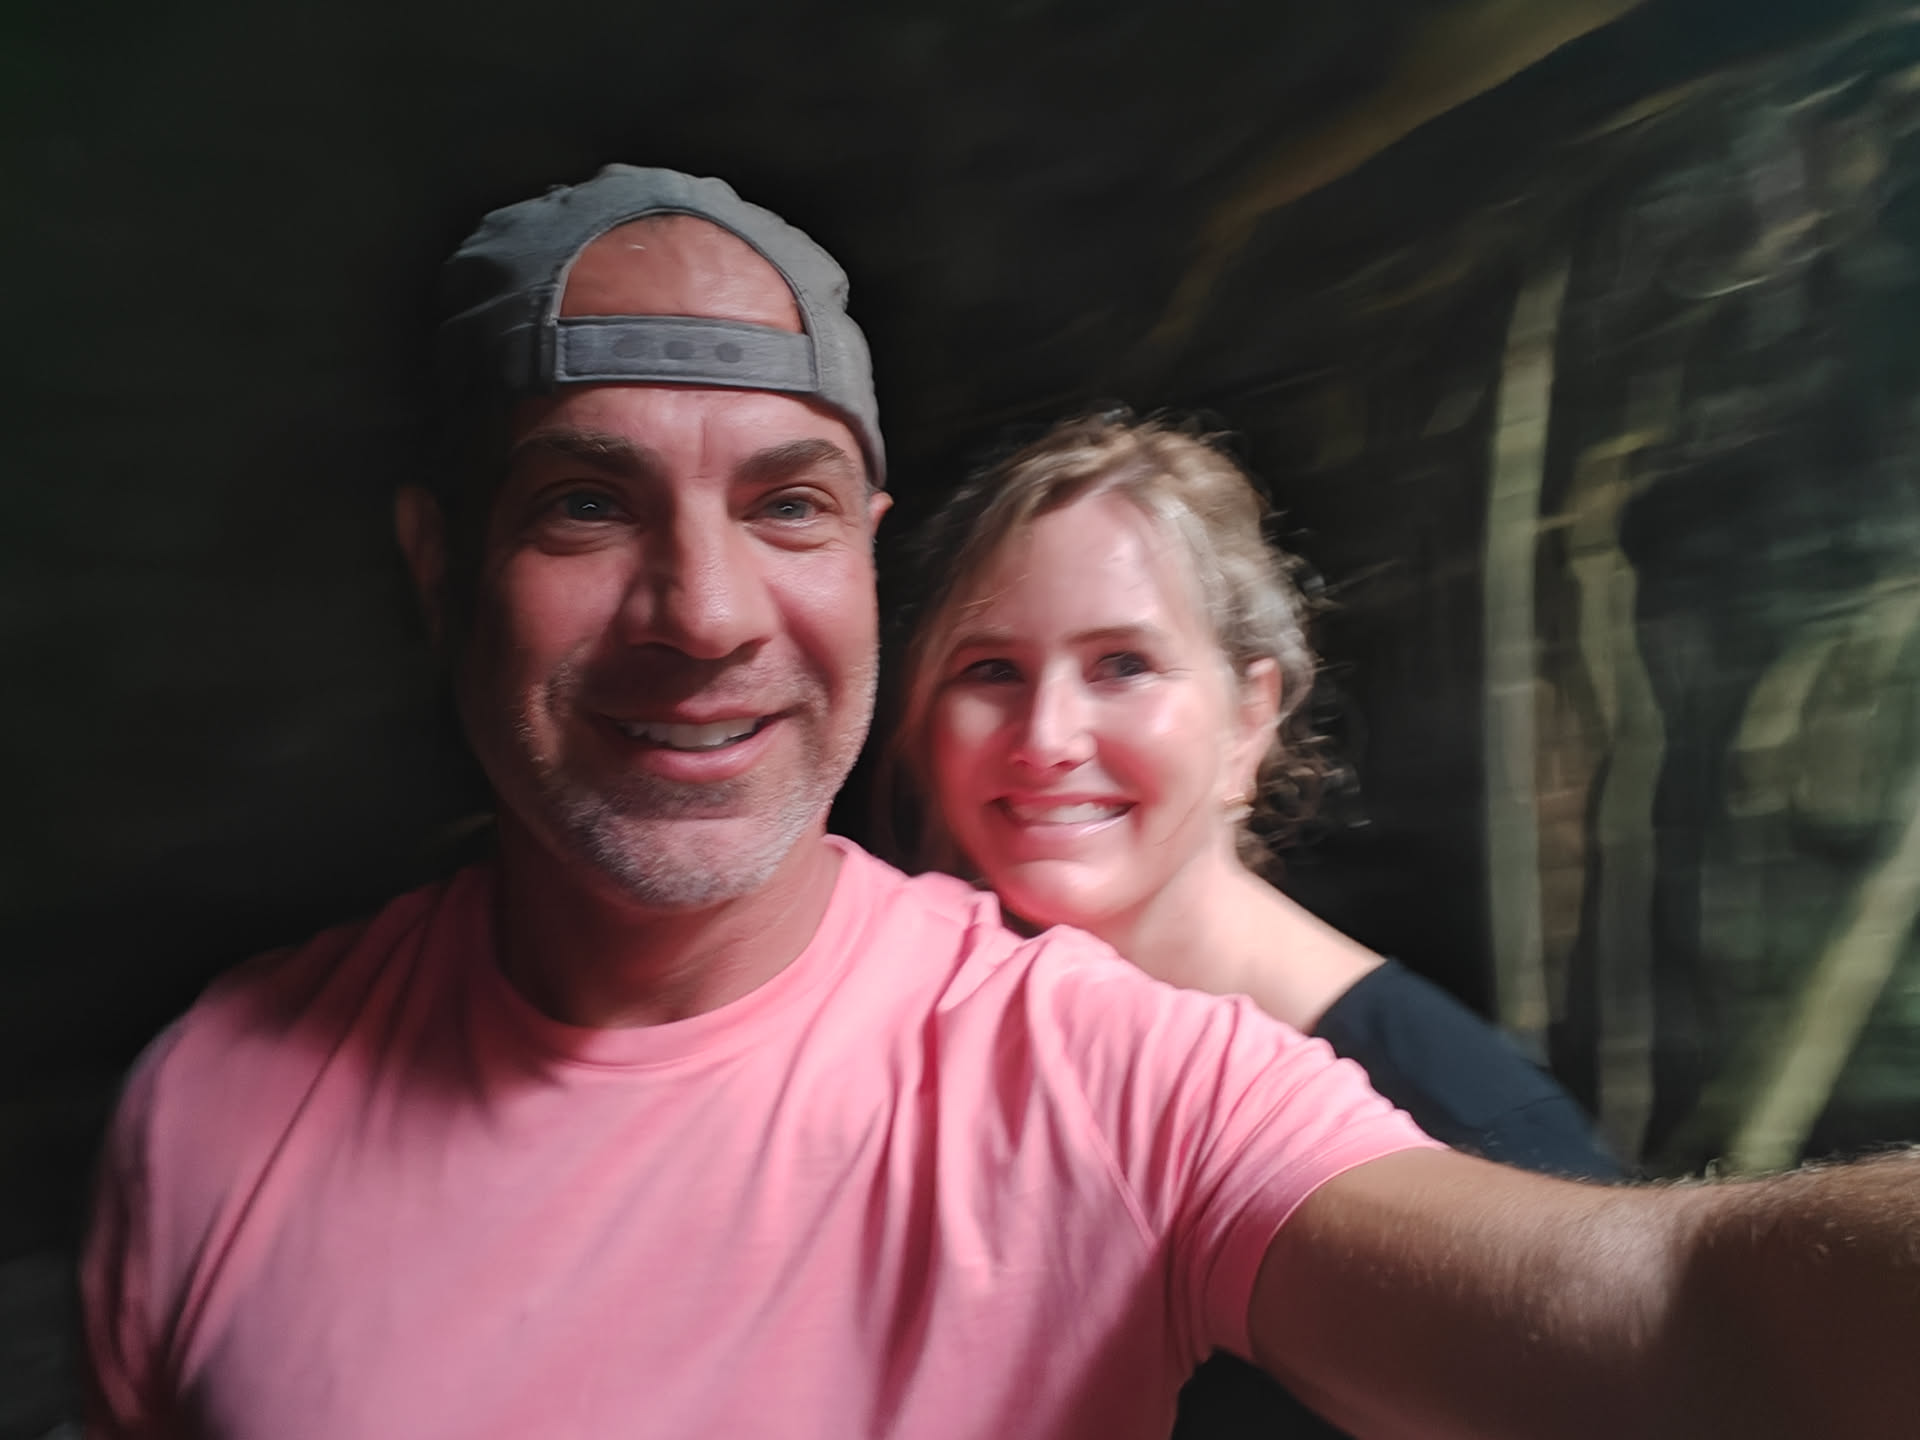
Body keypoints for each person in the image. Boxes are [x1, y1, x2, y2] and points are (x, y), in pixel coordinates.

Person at [80, 165, 1920, 1440]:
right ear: (438, 570)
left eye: (788, 504)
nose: (706, 613)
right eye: (584, 503)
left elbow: (1666, 1325)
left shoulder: (1120, 1073)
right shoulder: (208, 1101)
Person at [874, 410, 1617, 1437]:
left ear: (1249, 715)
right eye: (990, 669)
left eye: (1122, 663)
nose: (1045, 737)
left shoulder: (1478, 1135)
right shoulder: (900, 1053)